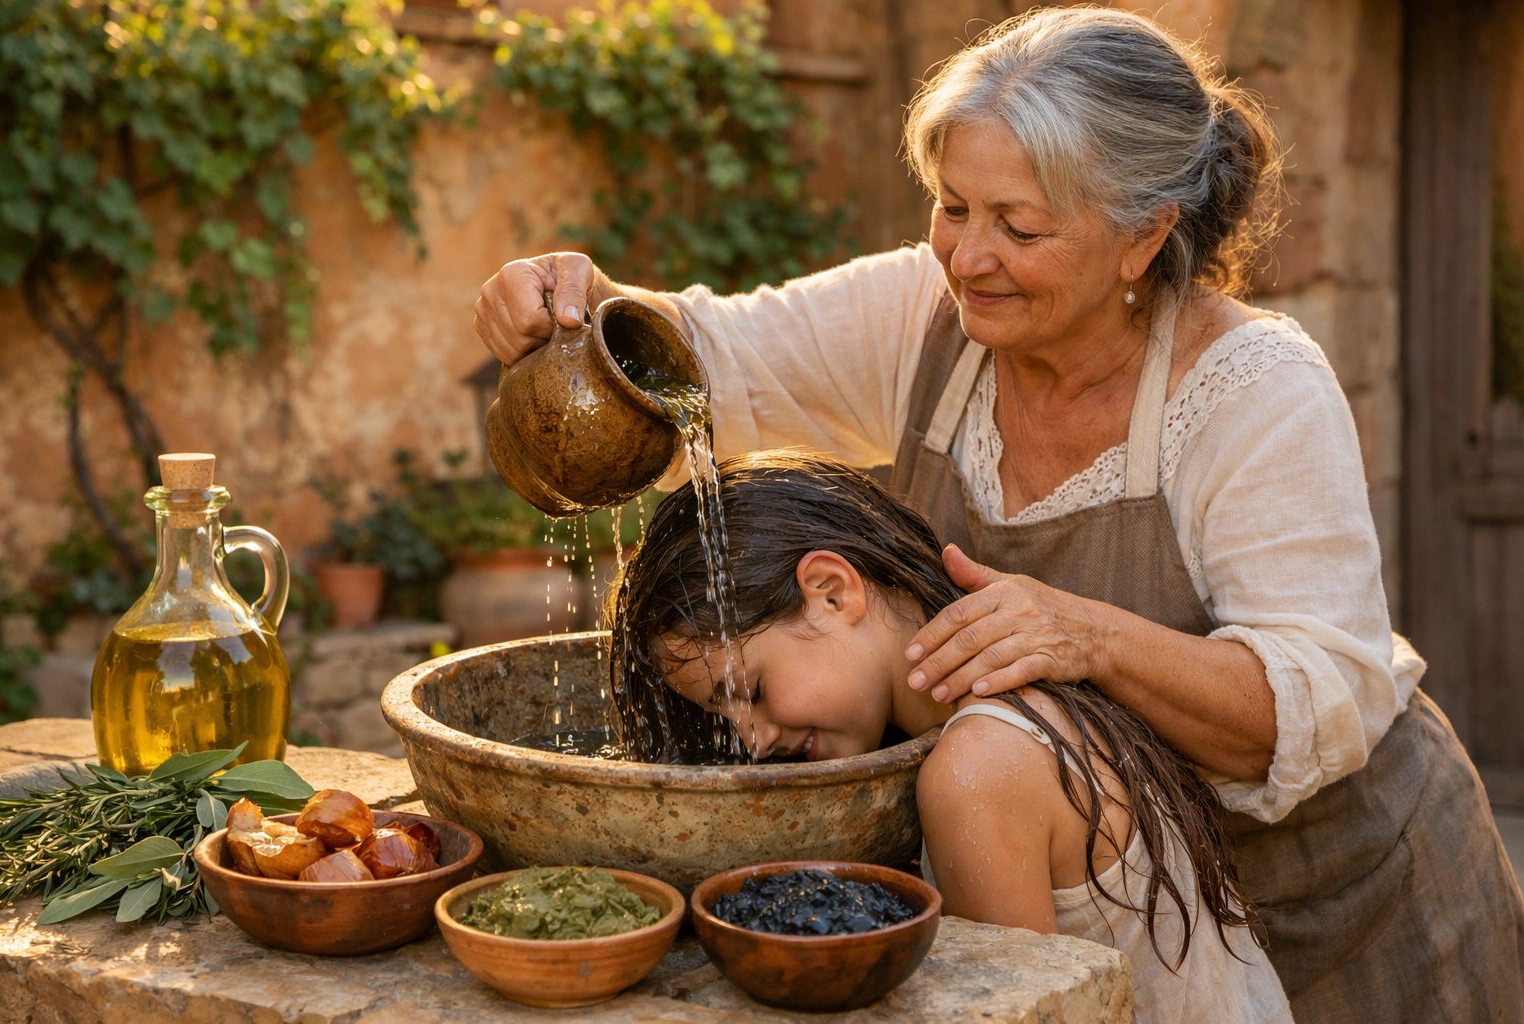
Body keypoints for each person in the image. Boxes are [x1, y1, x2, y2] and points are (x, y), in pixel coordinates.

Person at [474, 7, 1524, 1021]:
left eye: (1018, 225)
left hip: (1344, 893)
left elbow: (1315, 700)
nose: (966, 255)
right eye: (952, 206)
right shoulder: (928, 317)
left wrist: (1085, 632)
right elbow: (703, 364)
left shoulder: (1256, 390)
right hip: (1121, 894)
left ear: (1143, 235)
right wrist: (579, 307)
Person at [608, 448, 1291, 1023]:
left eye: (749, 692)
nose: (752, 741)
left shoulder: (979, 769)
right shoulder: (1004, 694)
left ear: (831, 590)